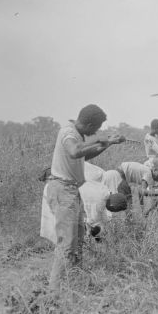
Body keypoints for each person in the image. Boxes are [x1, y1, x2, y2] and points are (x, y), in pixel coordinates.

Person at [44, 104, 125, 294]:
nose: (95, 132)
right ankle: (53, 294)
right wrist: (100, 139)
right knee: (67, 244)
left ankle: (74, 286)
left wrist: (107, 144)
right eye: (95, 129)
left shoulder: (77, 136)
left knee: (77, 240)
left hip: (71, 191)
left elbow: (83, 155)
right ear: (89, 124)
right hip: (63, 190)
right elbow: (74, 151)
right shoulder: (68, 133)